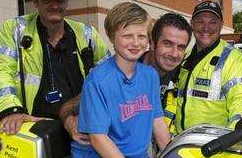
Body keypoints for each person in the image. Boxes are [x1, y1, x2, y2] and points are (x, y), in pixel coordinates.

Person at [72, 2, 171, 158]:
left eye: (141, 36)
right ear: (112, 38)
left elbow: (158, 122)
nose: (136, 42)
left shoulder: (149, 75)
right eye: (127, 35)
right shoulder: (98, 80)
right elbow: (99, 139)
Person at [0, 0, 110, 135]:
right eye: (47, 0)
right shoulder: (15, 29)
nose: (55, 5)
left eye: (60, 0)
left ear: (66, 2)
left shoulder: (87, 34)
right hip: (35, 127)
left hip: (80, 124)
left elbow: (108, 74)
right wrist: (11, 108)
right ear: (35, 2)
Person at [59, 12, 191, 140]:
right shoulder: (126, 67)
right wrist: (69, 121)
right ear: (152, 43)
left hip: (156, 152)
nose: (174, 53)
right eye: (167, 44)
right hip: (114, 155)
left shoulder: (185, 76)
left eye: (181, 47)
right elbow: (70, 107)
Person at [175, 1, 242, 133]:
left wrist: (234, 136)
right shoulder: (185, 58)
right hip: (182, 143)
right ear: (192, 24)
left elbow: (239, 101)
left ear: (221, 25)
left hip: (214, 146)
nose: (206, 27)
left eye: (213, 22)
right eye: (200, 22)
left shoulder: (233, 58)